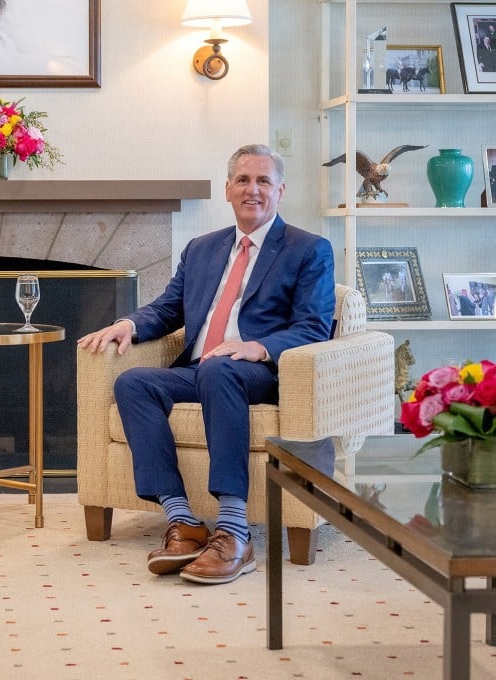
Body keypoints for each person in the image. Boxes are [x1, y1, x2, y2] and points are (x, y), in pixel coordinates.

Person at [77, 144, 335, 586]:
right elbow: (168, 308)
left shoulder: (308, 249)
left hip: (260, 373)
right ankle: (184, 521)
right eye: (243, 180)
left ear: (281, 191)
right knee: (135, 382)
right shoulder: (202, 248)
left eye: (263, 181)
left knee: (220, 369)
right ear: (228, 191)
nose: (252, 190)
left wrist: (258, 346)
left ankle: (234, 531)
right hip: (202, 371)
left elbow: (313, 326)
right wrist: (128, 324)